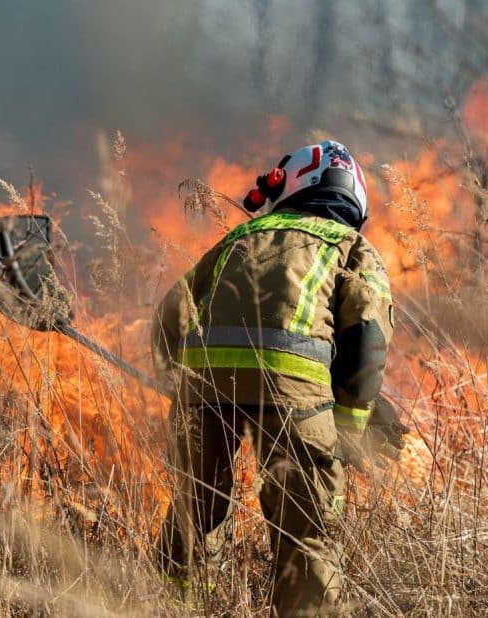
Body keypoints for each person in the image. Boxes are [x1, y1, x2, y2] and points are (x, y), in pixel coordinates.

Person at [151, 140, 407, 616]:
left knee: (195, 512)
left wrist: (176, 383)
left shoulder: (236, 239)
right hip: (294, 395)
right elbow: (367, 336)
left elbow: (171, 312)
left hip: (205, 389)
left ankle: (170, 605)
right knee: (305, 533)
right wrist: (349, 430)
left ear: (290, 185)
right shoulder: (351, 246)